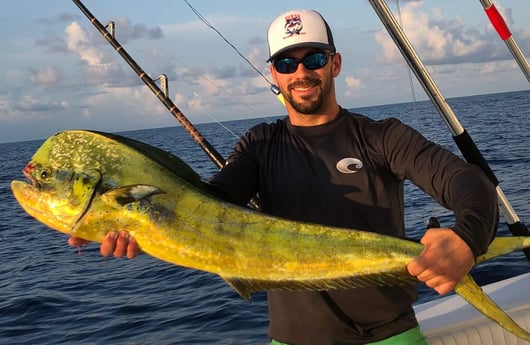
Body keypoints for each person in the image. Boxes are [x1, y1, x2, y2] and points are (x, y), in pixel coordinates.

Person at [69, 9, 498, 345]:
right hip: (291, 341)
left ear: (335, 63)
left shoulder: (383, 137)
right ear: (273, 74)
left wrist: (467, 237)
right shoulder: (258, 146)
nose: (301, 72)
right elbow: (206, 206)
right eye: (286, 63)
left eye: (313, 58)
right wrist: (134, 224)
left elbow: (467, 181)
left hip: (391, 337)